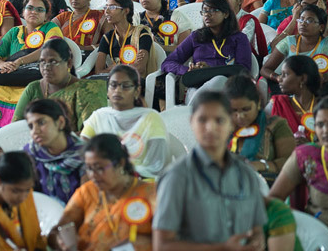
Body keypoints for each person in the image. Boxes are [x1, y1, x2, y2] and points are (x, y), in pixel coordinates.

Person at [153, 91, 268, 249]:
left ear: (231, 124)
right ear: (191, 122)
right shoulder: (177, 177)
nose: (210, 127)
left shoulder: (246, 174)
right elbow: (162, 246)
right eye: (202, 120)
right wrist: (222, 248)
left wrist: (257, 241)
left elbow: (257, 231)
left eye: (219, 120)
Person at [48, 133, 157, 251]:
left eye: (99, 168)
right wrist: (60, 240)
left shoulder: (151, 193)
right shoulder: (87, 192)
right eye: (89, 168)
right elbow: (56, 232)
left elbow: (171, 238)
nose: (93, 175)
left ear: (120, 163)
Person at [0, 0, 63, 135]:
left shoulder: (50, 28)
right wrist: (1, 64)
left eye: (40, 10)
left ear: (46, 16)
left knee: (27, 98)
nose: (34, 11)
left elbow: (50, 49)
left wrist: (19, 61)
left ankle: (15, 142)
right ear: (23, 12)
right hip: (12, 78)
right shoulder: (15, 32)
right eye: (30, 8)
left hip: (37, 80)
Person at [270, 96, 328, 243]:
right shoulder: (306, 156)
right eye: (320, 125)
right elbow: (274, 198)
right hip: (314, 235)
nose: (326, 130)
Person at [161, 0, 252, 104]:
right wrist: (189, 71)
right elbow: (168, 63)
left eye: (213, 10)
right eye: (204, 11)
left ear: (226, 14)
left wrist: (210, 70)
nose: (207, 15)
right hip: (197, 85)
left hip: (227, 88)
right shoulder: (196, 37)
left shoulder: (239, 38)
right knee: (194, 90)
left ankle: (191, 114)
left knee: (219, 79)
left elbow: (243, 69)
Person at [81, 65, 167, 178]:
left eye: (125, 86)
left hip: (141, 183)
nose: (118, 90)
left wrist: (121, 175)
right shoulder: (99, 116)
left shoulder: (151, 118)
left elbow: (156, 166)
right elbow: (81, 151)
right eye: (113, 85)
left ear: (137, 91)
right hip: (101, 180)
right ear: (107, 91)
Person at [12, 39, 107, 132]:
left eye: (53, 62)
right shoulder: (33, 88)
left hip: (75, 146)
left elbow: (90, 134)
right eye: (42, 62)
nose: (46, 67)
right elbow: (14, 128)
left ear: (69, 63)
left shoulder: (87, 91)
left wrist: (56, 140)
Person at [261, 4, 328, 96]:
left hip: (319, 95)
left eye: (309, 20)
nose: (303, 23)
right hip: (291, 93)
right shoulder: (289, 42)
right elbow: (265, 69)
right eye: (301, 19)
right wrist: (278, 78)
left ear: (321, 27)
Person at [225, 74, 294, 185]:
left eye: (246, 109)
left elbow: (291, 164)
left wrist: (262, 165)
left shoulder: (276, 125)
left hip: (267, 189)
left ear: (257, 103)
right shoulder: (222, 129)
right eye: (234, 111)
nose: (240, 116)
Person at [23, 99, 85, 202]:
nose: (35, 131)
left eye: (41, 122)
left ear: (60, 122)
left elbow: (88, 198)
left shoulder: (85, 155)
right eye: (31, 126)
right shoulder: (29, 154)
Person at [94, 0, 155, 79]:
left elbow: (140, 68)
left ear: (126, 11)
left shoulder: (142, 34)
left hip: (134, 82)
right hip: (112, 82)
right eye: (106, 7)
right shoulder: (107, 37)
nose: (106, 11)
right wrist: (129, 66)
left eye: (112, 7)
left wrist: (114, 68)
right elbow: (99, 71)